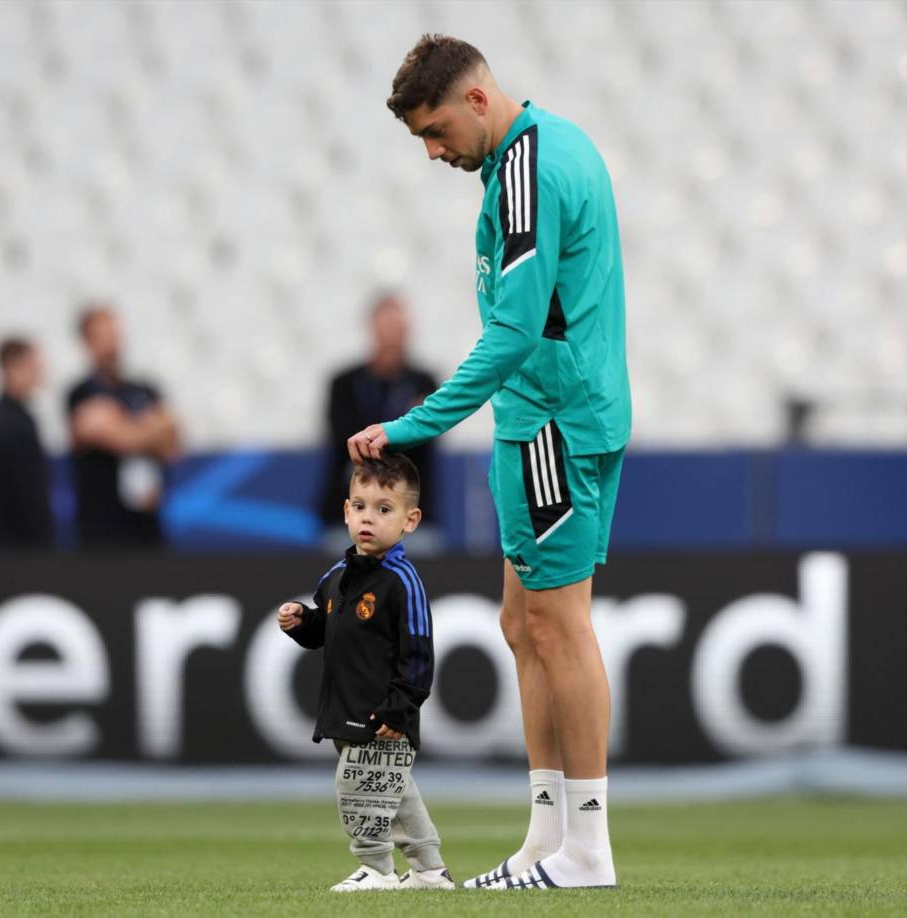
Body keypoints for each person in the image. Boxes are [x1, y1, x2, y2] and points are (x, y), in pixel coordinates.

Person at [348, 35, 631, 891]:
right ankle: (547, 838)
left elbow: (512, 331)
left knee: (560, 626)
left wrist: (413, 424)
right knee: (523, 624)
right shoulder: (557, 143)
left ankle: (585, 848)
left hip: (553, 422)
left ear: (476, 101)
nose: (434, 153)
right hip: (553, 413)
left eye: (435, 131)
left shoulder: (523, 174)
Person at [277, 453, 453, 893]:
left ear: (410, 521)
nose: (367, 519)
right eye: (359, 506)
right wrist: (303, 621)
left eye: (383, 509)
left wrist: (399, 709)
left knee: (358, 787)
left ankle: (377, 868)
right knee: (396, 791)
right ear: (345, 511)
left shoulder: (403, 581)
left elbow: (418, 654)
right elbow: (327, 628)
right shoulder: (336, 576)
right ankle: (431, 871)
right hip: (346, 706)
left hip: (382, 714)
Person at [320, 293, 438, 536]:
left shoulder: (424, 382)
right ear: (372, 329)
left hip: (411, 519)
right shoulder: (344, 382)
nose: (392, 336)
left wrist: (371, 437)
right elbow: (341, 436)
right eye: (386, 327)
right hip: (348, 519)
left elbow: (425, 440)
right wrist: (402, 425)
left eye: (398, 328)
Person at [67, 304, 180, 548]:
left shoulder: (145, 388)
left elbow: (172, 443)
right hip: (102, 529)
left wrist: (120, 425)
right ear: (87, 342)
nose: (113, 343)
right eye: (104, 336)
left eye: (115, 334)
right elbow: (111, 437)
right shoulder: (79, 394)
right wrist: (148, 429)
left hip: (146, 526)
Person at [0, 338, 53, 549]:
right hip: (15, 545)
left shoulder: (16, 418)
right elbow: (26, 493)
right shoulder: (8, 423)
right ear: (12, 368)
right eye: (33, 366)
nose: (39, 373)